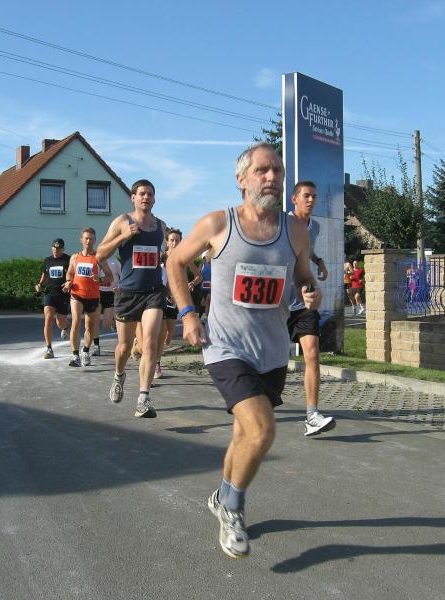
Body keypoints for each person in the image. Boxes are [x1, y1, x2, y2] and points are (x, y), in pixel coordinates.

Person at [166, 142, 320, 559]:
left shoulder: (295, 230)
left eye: (277, 171)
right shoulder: (219, 224)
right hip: (226, 347)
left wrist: (310, 289)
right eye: (262, 170)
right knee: (262, 430)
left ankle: (222, 495)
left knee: (243, 433)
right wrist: (188, 314)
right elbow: (174, 262)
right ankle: (233, 509)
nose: (272, 177)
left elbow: (302, 274)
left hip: (272, 350)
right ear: (241, 179)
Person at [97, 179, 167, 418]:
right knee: (125, 347)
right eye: (142, 194)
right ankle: (119, 375)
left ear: (154, 198)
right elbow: (100, 254)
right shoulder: (122, 221)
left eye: (150, 194)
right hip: (128, 293)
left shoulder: (160, 226)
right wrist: (123, 237)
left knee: (150, 342)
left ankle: (143, 398)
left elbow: (168, 254)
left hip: (154, 292)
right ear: (133, 198)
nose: (146, 197)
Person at [287, 181, 336, 437]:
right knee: (270, 361)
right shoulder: (283, 224)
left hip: (304, 301)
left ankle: (312, 415)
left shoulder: (313, 226)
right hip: (278, 302)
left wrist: (319, 261)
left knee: (313, 353)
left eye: (314, 196)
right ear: (294, 199)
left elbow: (307, 250)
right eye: (306, 195)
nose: (311, 200)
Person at [154, 228, 201, 379]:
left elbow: (198, 276)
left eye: (177, 240)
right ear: (167, 242)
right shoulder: (161, 258)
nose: (174, 243)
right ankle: (156, 364)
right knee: (161, 333)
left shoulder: (184, 258)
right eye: (172, 240)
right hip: (161, 298)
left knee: (168, 336)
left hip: (175, 300)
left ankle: (139, 346)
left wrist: (191, 283)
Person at [62, 228, 110, 368]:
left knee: (90, 325)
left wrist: (100, 279)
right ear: (81, 240)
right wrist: (68, 282)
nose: (88, 241)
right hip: (77, 294)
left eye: (91, 238)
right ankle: (75, 355)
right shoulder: (74, 257)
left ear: (95, 240)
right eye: (86, 238)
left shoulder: (98, 258)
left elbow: (110, 276)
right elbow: (69, 273)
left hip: (93, 296)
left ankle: (85, 351)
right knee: (76, 321)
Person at [35, 238, 71, 359]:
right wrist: (39, 285)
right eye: (54, 248)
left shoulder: (68, 259)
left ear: (63, 249)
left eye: (58, 249)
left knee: (60, 322)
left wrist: (69, 283)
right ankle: (49, 348)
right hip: (50, 293)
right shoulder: (47, 260)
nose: (55, 250)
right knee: (48, 318)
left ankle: (65, 327)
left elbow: (72, 275)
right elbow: (44, 275)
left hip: (63, 295)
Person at [92, 253, 121, 357]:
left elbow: (122, 276)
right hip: (98, 293)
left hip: (110, 293)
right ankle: (96, 346)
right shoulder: (95, 261)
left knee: (106, 324)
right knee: (95, 320)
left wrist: (118, 287)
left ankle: (113, 323)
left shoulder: (115, 262)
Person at [199, 251, 212, 323]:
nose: (207, 258)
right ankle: (201, 316)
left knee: (208, 300)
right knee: (203, 302)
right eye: (205, 257)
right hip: (202, 287)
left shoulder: (213, 265)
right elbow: (197, 274)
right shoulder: (202, 265)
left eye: (208, 257)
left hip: (211, 287)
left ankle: (205, 317)